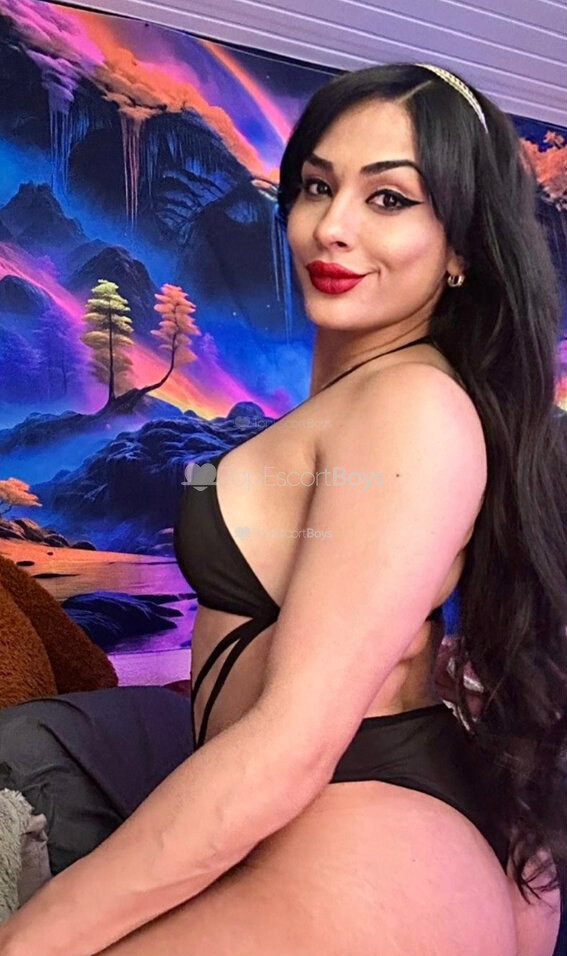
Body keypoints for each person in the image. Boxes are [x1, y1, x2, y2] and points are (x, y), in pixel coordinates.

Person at [0, 62, 565, 956]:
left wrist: (27, 941)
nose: (332, 226)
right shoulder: (380, 398)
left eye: (389, 199)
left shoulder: (407, 407)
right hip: (358, 842)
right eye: (315, 186)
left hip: (362, 860)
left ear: (460, 247)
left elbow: (291, 743)